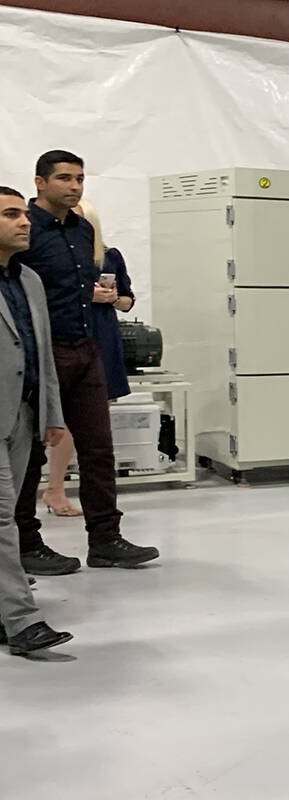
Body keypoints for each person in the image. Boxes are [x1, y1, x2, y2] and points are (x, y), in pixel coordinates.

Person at [13, 150, 159, 575]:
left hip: (87, 349)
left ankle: (106, 539)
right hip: (42, 353)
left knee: (98, 449)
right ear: (40, 182)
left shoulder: (82, 233)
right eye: (64, 178)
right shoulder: (25, 231)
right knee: (31, 453)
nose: (74, 186)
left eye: (79, 178)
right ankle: (26, 542)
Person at [0, 186, 73, 655]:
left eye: (24, 214)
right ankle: (23, 620)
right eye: (10, 215)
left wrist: (52, 414)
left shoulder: (28, 279)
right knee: (2, 519)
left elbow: (41, 351)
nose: (24, 222)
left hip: (23, 416)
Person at [38, 199, 134, 518]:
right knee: (56, 419)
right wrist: (85, 295)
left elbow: (127, 301)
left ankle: (95, 511)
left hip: (102, 335)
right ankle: (54, 488)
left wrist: (113, 298)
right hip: (65, 337)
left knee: (96, 427)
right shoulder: (48, 252)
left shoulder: (109, 256)